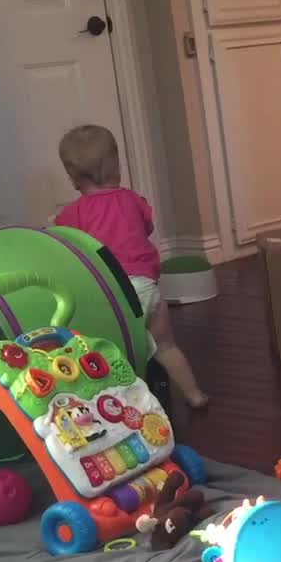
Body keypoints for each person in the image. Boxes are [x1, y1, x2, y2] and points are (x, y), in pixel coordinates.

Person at [54, 125, 208, 409]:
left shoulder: (72, 214)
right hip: (146, 287)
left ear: (73, 177)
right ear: (117, 166)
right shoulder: (132, 200)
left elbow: (66, 247)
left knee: (115, 351)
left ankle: (130, 405)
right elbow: (146, 226)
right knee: (166, 347)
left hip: (111, 294)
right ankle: (194, 394)